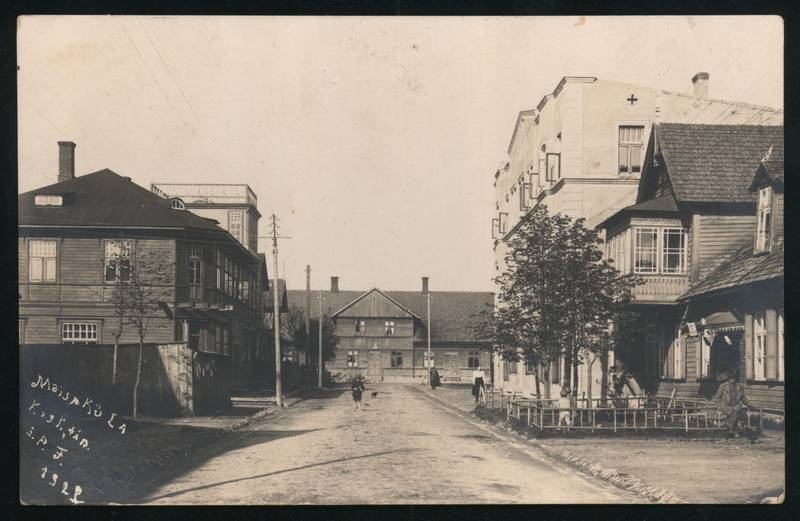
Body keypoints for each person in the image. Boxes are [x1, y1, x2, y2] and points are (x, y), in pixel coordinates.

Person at [712, 372, 753, 437]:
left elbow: (743, 398)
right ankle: (734, 431)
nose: (732, 380)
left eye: (734, 378)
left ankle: (730, 430)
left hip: (736, 405)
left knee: (735, 410)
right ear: (728, 379)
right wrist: (719, 407)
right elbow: (716, 398)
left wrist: (750, 405)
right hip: (725, 406)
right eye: (731, 378)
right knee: (734, 412)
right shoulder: (723, 386)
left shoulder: (739, 387)